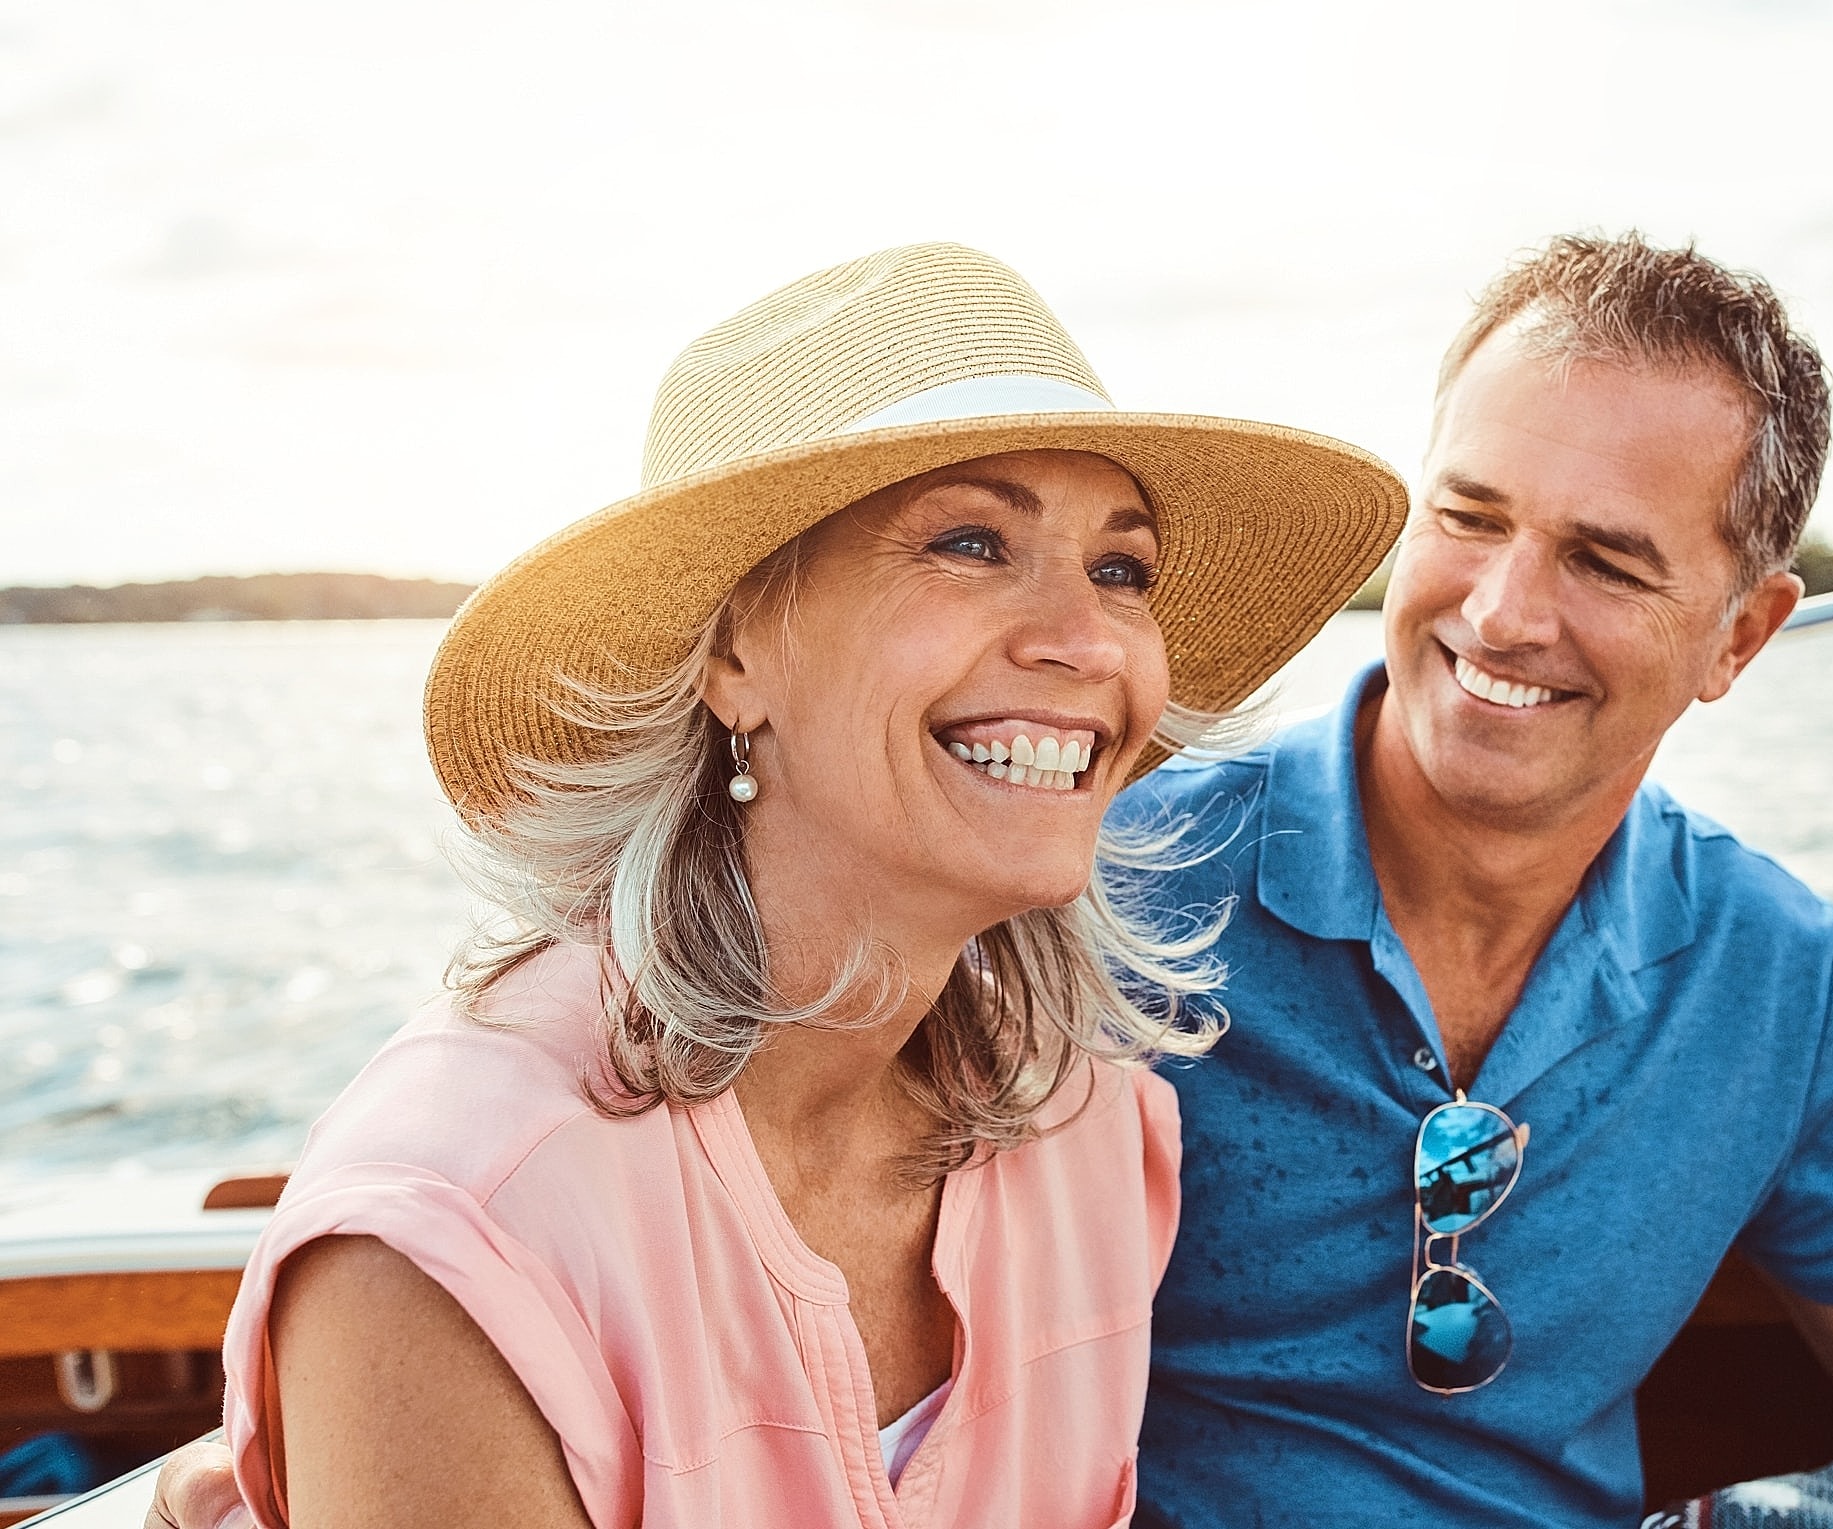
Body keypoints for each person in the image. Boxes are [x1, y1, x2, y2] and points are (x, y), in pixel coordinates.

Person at [148, 242, 1405, 1529]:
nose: (1082, 637)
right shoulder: (460, 1225)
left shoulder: (1086, 1126)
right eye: (971, 543)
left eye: (1120, 569)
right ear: (735, 649)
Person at [1116, 233, 1833, 1528]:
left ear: (1739, 634)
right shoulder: (1118, 891)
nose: (1503, 612)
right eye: (1467, 516)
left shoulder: (1768, 968)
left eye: (1604, 560)